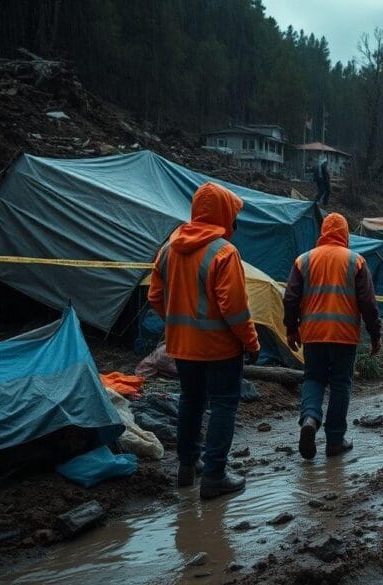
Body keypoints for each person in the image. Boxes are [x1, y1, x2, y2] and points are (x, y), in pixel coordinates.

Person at [148, 182, 260, 499]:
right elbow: (235, 309)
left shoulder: (169, 249)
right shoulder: (224, 252)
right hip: (221, 349)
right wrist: (251, 343)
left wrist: (178, 322)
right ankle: (214, 476)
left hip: (182, 346)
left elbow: (155, 296)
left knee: (191, 401)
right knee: (224, 404)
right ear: (224, 214)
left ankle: (187, 468)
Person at [284, 213, 382, 460]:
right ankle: (335, 441)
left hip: (313, 334)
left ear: (323, 232)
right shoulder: (356, 261)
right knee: (340, 383)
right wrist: (375, 335)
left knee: (313, 378)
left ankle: (310, 418)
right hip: (344, 335)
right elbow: (368, 303)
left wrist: (291, 328)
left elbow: (291, 298)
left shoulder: (303, 260)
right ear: (345, 234)